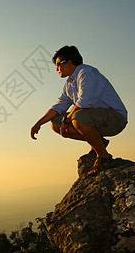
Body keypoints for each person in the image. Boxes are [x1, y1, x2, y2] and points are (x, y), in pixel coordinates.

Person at [30, 45, 127, 175]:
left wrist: (67, 120)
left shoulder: (86, 73)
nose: (56, 68)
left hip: (115, 118)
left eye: (58, 64)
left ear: (69, 62)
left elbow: (84, 102)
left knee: (78, 118)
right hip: (94, 118)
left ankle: (104, 157)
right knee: (56, 123)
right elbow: (59, 106)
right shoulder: (70, 83)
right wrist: (39, 123)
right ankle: (100, 142)